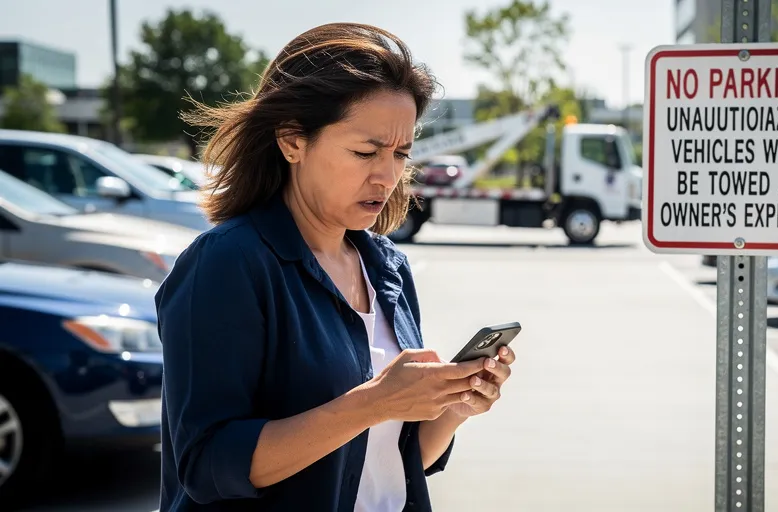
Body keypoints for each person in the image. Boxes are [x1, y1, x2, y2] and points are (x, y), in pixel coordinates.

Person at [154, 22, 516, 511]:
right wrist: (376, 402)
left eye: (401, 153)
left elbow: (401, 462)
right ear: (292, 141)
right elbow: (206, 465)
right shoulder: (226, 264)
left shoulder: (387, 267)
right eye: (365, 151)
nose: (387, 175)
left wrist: (452, 406)